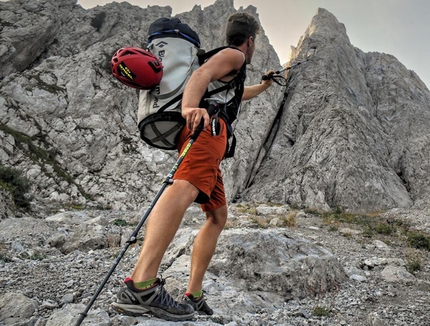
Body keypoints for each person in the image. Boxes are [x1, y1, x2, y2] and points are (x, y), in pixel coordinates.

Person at [111, 12, 274, 321]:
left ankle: (194, 295)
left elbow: (238, 94)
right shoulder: (234, 55)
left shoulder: (231, 63)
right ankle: (140, 286)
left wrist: (264, 85)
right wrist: (189, 108)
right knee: (183, 187)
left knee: (217, 216)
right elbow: (200, 78)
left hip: (212, 135)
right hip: (206, 129)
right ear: (250, 41)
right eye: (255, 42)